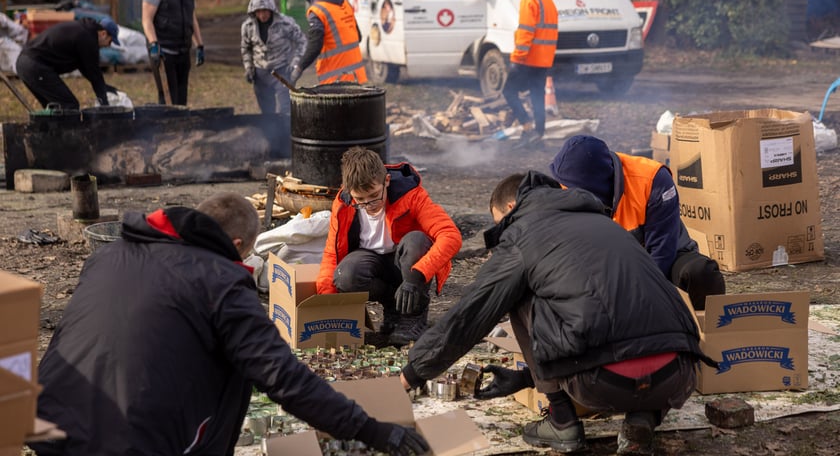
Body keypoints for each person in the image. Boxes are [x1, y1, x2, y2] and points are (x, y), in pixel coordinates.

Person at [30, 192, 428, 456]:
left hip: (48, 422)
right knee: (241, 363)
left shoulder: (110, 254)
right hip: (132, 443)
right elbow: (284, 378)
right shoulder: (221, 283)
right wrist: (376, 431)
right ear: (237, 245)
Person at [400, 172, 713, 455]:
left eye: (500, 224)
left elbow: (471, 315)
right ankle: (643, 417)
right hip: (679, 376)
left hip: (602, 383)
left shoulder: (523, 236)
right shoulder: (608, 225)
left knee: (515, 291)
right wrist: (525, 378)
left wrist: (412, 373)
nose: (502, 234)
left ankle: (562, 422)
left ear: (511, 208)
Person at [549, 135, 726, 310]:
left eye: (571, 187)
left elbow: (662, 251)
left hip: (663, 259)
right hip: (607, 266)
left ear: (597, 185)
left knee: (700, 272)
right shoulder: (563, 187)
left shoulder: (651, 179)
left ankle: (699, 330)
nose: (565, 190)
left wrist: (634, 301)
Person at [317, 146, 462, 346]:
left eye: (374, 195)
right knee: (346, 275)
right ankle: (394, 306)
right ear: (349, 191)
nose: (369, 205)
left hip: (408, 266)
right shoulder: (343, 204)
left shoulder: (412, 195)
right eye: (360, 200)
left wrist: (418, 274)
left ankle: (414, 315)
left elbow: (451, 236)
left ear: (386, 181)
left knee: (415, 242)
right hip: (373, 264)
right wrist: (327, 302)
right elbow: (331, 253)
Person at [503, 0, 558, 149]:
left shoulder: (529, 0)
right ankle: (539, 133)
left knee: (509, 92)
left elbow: (526, 32)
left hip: (527, 60)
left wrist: (517, 59)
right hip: (544, 61)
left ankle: (527, 129)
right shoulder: (548, 0)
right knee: (537, 97)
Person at [15, 17, 120, 110]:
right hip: (34, 65)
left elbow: (87, 69)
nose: (108, 46)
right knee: (69, 105)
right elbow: (94, 73)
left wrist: (104, 87)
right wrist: (106, 107)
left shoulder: (84, 31)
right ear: (103, 33)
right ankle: (68, 133)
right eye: (110, 41)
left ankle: (51, 132)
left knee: (55, 107)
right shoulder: (88, 38)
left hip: (25, 63)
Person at [142, 0, 205, 105]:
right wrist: (154, 45)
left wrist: (199, 45)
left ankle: (181, 127)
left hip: (183, 52)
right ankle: (166, 128)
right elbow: (147, 20)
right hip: (163, 53)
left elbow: (192, 19)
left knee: (182, 98)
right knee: (169, 98)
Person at [290, 0, 368, 86]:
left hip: (335, 80)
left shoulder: (317, 11)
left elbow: (315, 45)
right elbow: (358, 37)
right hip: (356, 76)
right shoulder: (345, 3)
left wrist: (298, 69)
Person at [240, 0, 307, 114]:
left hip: (282, 71)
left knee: (286, 111)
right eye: (258, 11)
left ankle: (286, 133)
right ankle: (270, 133)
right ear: (253, 12)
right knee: (267, 113)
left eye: (265, 10)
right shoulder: (247, 26)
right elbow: (245, 48)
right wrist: (249, 68)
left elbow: (302, 42)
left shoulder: (286, 23)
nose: (262, 15)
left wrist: (295, 63)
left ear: (271, 9)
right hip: (260, 74)